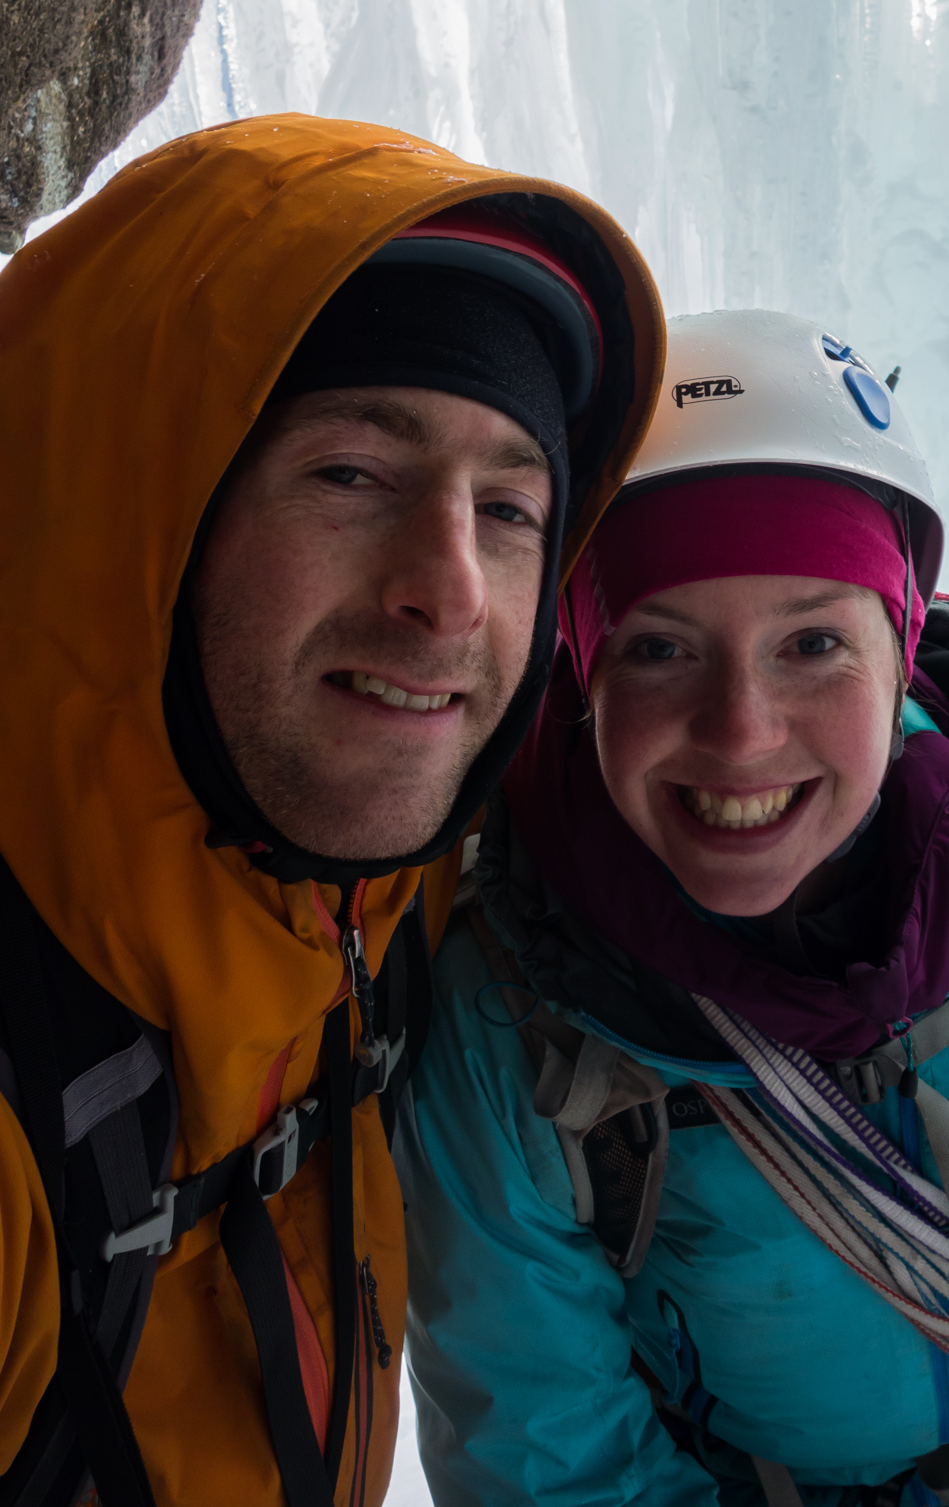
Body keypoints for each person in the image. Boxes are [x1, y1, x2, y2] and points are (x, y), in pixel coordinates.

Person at [398, 309, 949, 1507]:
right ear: (581, 678)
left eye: (812, 640)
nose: (741, 731)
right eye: (657, 648)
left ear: (904, 646)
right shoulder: (510, 1014)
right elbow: (552, 1456)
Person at [0, 112, 664, 1507]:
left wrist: (926, 725)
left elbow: (726, 782)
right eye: (351, 473)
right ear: (148, 518)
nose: (451, 595)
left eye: (509, 510)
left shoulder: (356, 852)